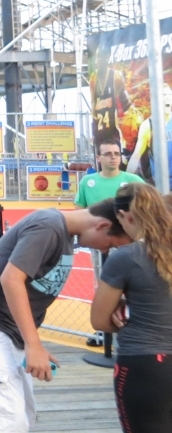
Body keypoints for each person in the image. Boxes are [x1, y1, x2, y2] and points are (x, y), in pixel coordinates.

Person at [0, 200, 131, 432]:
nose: (105, 250)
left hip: (12, 329)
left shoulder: (64, 235)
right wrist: (34, 344)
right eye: (110, 243)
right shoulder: (48, 226)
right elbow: (10, 278)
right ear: (102, 225)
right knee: (6, 418)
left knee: (24, 415)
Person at [91, 182, 172, 432]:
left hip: (146, 364)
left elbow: (99, 320)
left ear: (126, 216)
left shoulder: (126, 257)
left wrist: (124, 305)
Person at [75, 140, 146, 208]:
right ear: (98, 158)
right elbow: (78, 211)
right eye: (108, 154)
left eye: (117, 154)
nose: (113, 157)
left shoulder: (134, 180)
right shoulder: (86, 181)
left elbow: (148, 207)